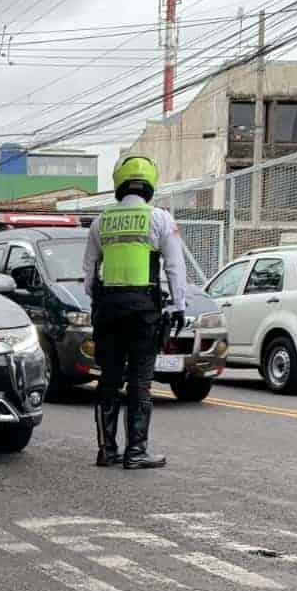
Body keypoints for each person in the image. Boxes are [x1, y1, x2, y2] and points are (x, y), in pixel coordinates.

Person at [82, 153, 188, 470]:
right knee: (140, 380)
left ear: (119, 182)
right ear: (150, 184)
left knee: (109, 381)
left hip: (108, 309)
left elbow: (89, 273)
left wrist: (101, 299)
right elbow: (174, 267)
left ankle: (107, 451)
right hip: (144, 309)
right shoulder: (160, 219)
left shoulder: (102, 221)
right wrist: (180, 305)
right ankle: (136, 452)